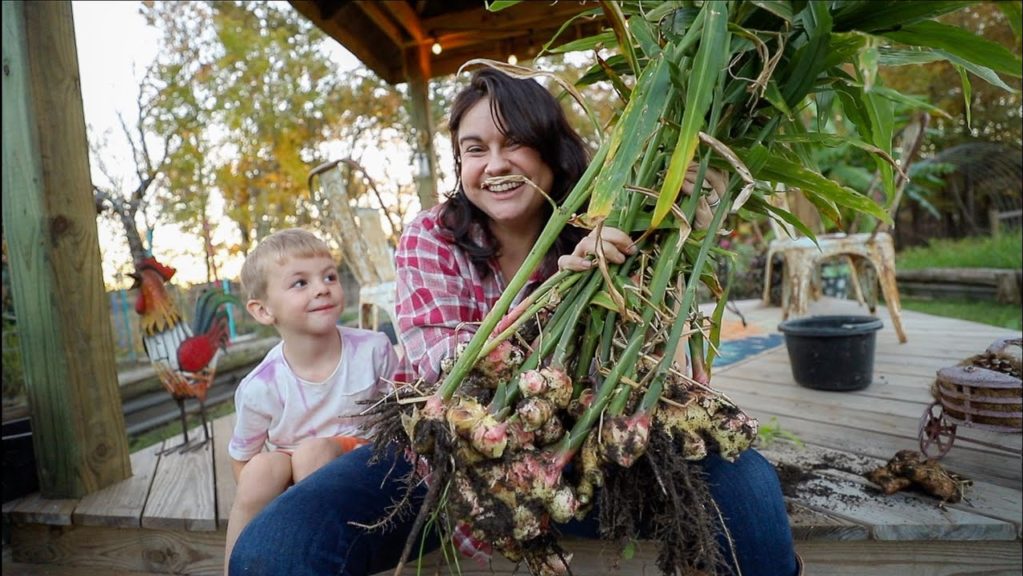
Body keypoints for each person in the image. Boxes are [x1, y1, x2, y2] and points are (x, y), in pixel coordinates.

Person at [230, 70, 798, 576]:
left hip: (588, 462)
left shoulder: (614, 225)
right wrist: (556, 293)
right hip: (446, 463)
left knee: (745, 486)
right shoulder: (432, 236)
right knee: (274, 550)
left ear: (553, 152)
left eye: (515, 144)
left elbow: (650, 364)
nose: (494, 165)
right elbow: (437, 358)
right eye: (474, 149)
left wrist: (678, 231)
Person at [224, 228, 398, 572]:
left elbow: (399, 421)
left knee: (312, 455)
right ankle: (234, 567)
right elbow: (241, 459)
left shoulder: (373, 350)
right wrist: (270, 490)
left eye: (329, 276)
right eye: (300, 283)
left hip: (361, 464)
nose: (322, 288)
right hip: (295, 473)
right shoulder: (261, 386)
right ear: (263, 311)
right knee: (261, 469)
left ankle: (329, 555)